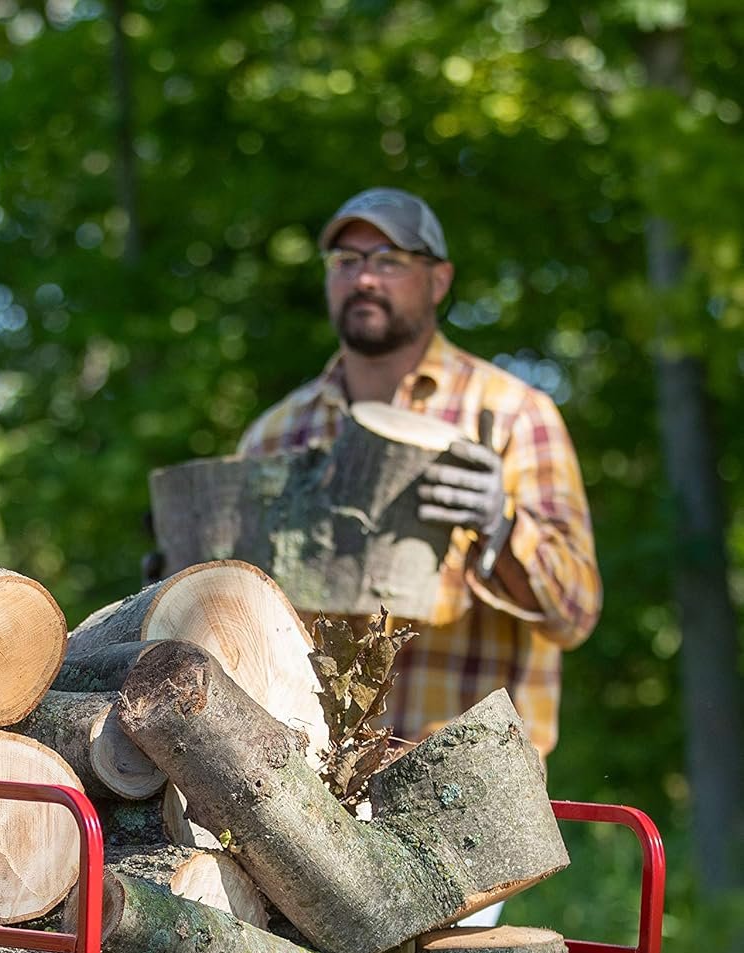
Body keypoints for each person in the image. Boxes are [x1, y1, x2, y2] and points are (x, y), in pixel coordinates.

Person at [237, 187, 601, 763]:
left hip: (469, 795)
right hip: (303, 792)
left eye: (388, 261)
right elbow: (239, 624)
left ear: (439, 280)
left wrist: (503, 527)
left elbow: (576, 612)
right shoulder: (275, 436)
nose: (364, 280)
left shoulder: (513, 416)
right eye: (346, 262)